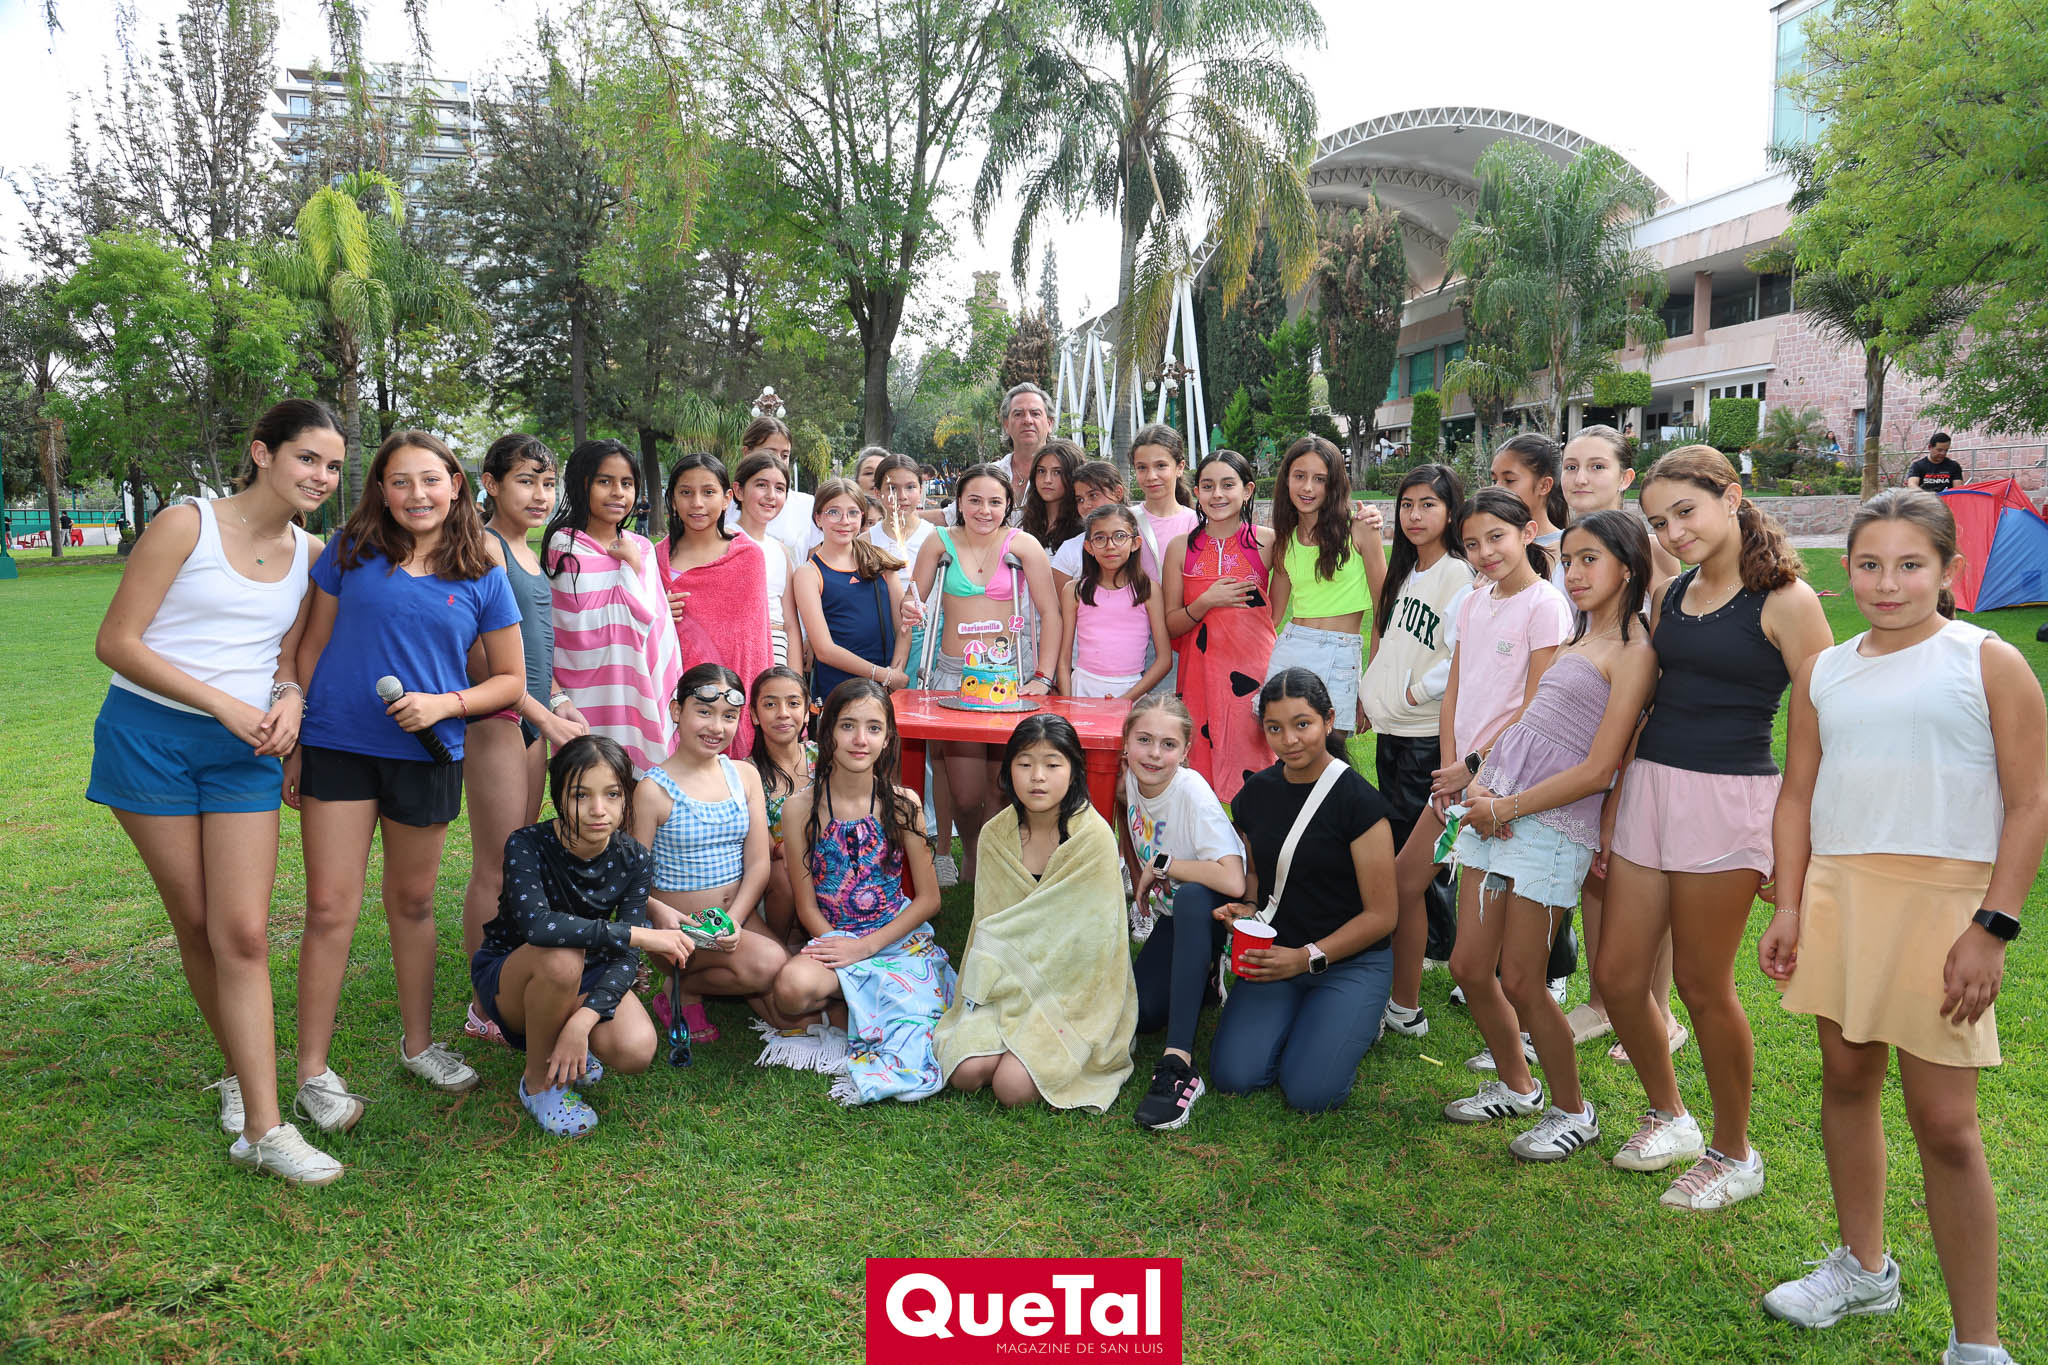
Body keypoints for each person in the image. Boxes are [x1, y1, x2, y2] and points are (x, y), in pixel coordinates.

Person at [1758, 491, 2045, 1362]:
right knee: (1846, 1077)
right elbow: (1799, 793)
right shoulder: (1825, 670)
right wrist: (1791, 902)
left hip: (1945, 908)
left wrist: (1991, 926)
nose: (1888, 583)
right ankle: (1864, 1266)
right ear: (1846, 569)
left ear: (1951, 569)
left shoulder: (1988, 661)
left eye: (1911, 564)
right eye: (1870, 564)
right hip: (1843, 893)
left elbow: (2030, 801)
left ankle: (1977, 1341)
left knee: (1946, 1124)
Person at [89, 398, 346, 1183]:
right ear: (262, 452)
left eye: (334, 466)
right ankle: (242, 1074)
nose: (322, 476)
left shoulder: (312, 554)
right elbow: (116, 641)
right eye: (308, 458)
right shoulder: (185, 524)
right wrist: (222, 703)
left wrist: (289, 697)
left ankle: (264, 1129)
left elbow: (290, 656)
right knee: (199, 923)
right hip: (151, 740)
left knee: (242, 932)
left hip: (246, 752)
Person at [1597, 446, 1833, 1210]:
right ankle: (1670, 1114)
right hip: (1651, 791)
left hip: (1729, 802)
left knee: (1702, 984)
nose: (1672, 532)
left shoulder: (1788, 600)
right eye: (1659, 521)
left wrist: (1797, 844)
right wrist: (1616, 797)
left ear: (1731, 497)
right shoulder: (1674, 591)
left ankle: (1735, 1151)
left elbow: (1824, 724)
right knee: (1619, 976)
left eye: (1685, 512)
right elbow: (1651, 698)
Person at [289, 430, 527, 1131]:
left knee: (414, 902)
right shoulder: (350, 549)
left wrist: (445, 704)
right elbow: (309, 647)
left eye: (430, 479)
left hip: (427, 753)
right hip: (337, 746)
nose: (416, 494)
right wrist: (297, 743)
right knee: (329, 908)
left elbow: (510, 680)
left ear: (456, 485)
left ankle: (419, 1045)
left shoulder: (482, 568)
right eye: (400, 481)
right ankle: (312, 1071)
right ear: (381, 490)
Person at [1440, 511, 1659, 1158]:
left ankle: (1573, 1111)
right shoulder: (1575, 639)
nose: (1575, 573)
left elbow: (1598, 768)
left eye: (1590, 559)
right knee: (1468, 965)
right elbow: (1529, 729)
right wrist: (1484, 783)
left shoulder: (1635, 653)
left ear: (1628, 566)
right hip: (1498, 808)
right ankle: (1518, 1086)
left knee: (1522, 978)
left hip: (1551, 824)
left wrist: (1507, 807)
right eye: (1568, 561)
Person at [1383, 488, 1574, 1050]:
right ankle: (1404, 1005)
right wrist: (1451, 763)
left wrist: (1474, 765)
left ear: (1527, 533)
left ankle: (1524, 1038)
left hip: (1510, 785)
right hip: (1458, 781)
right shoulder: (1471, 602)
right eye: (1472, 544)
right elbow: (1455, 691)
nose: (1485, 552)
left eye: (1496, 537)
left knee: (1508, 932)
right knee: (1404, 882)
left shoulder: (1546, 605)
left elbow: (1536, 706)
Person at [469, 736, 693, 1137]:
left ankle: (566, 1032)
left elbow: (623, 958)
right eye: (580, 795)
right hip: (514, 976)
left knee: (636, 1049)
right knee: (562, 957)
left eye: (612, 794)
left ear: (626, 798)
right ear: (558, 796)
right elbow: (539, 927)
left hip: (587, 970)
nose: (598, 810)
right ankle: (539, 1085)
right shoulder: (527, 844)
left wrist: (583, 1023)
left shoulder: (634, 858)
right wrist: (638, 935)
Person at [1208, 669, 1399, 1113]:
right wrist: (1247, 907)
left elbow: (1382, 915)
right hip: (1278, 955)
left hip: (1351, 961)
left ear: (1329, 721)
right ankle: (1315, 1024)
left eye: (1302, 724)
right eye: (1274, 728)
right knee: (1234, 1076)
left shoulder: (1359, 802)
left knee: (1311, 1093)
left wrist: (1305, 957)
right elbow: (1257, 873)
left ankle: (1359, 1015)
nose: (1289, 740)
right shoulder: (1255, 794)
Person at [461, 434, 592, 1048]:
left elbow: (535, 649)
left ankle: (505, 981)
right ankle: (481, 1004)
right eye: (525, 481)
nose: (540, 495)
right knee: (493, 865)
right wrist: (541, 713)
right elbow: (480, 659)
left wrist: (557, 702)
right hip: (497, 721)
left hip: (531, 721)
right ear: (490, 484)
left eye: (547, 482)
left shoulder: (528, 551)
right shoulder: (484, 547)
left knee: (518, 859)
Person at [935, 715, 1137, 1109]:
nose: (1037, 777)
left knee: (1011, 1087)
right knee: (966, 1072)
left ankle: (1032, 1050)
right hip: (1007, 984)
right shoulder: (996, 835)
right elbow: (990, 927)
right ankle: (1008, 1041)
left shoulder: (1092, 837)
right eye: (1025, 764)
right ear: (1008, 771)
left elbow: (1097, 944)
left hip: (1072, 992)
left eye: (1052, 764)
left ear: (1074, 770)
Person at [769, 680, 955, 1103]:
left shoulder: (904, 804)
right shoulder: (799, 809)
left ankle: (851, 1006)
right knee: (790, 990)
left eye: (873, 728)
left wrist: (867, 948)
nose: (860, 739)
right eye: (848, 726)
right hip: (835, 938)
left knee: (919, 1025)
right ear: (828, 732)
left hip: (896, 939)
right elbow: (806, 906)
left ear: (888, 738)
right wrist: (844, 948)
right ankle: (858, 999)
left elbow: (929, 900)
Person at [1556, 426, 1681, 1054]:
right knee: (1596, 870)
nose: (1580, 478)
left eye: (1596, 466)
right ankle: (1604, 1002)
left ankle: (1658, 1011)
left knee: (1641, 870)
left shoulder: (1652, 550)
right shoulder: (1562, 545)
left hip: (1637, 731)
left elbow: (1664, 650)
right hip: (1576, 728)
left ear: (1625, 477)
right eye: (1570, 465)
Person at [1360, 464, 1474, 1034]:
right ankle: (1426, 945)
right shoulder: (1411, 570)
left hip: (1427, 733)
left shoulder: (1456, 572)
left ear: (1451, 511)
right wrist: (1373, 691)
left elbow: (1459, 657)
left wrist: (1413, 691)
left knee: (1415, 859)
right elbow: (1392, 641)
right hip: (1395, 732)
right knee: (1406, 846)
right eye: (1407, 504)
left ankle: (1429, 951)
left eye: (1428, 504)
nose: (1414, 515)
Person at [910, 463, 1062, 878]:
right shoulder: (938, 542)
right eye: (974, 500)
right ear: (959, 502)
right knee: (965, 792)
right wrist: (908, 604)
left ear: (1008, 505)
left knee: (1001, 783)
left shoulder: (1023, 545)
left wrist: (1043, 677)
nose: (984, 510)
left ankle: (987, 861)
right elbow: (914, 600)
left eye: (995, 502)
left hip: (1008, 676)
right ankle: (973, 845)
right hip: (954, 676)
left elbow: (1050, 613)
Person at [631, 663, 785, 1043]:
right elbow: (631, 880)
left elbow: (758, 863)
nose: (716, 727)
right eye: (704, 712)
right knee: (770, 965)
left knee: (790, 996)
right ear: (676, 711)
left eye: (729, 716)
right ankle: (679, 986)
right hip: (680, 932)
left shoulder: (744, 776)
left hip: (737, 917)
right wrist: (661, 917)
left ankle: (708, 980)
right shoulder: (653, 790)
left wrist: (734, 920)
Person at [1121, 695, 1247, 1130]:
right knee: (1143, 1014)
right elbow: (1126, 816)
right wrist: (1139, 868)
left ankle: (1179, 1064)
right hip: (1173, 917)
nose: (1154, 754)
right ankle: (1207, 979)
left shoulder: (1191, 793)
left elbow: (1234, 880)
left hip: (1210, 912)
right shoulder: (1131, 778)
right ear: (1125, 742)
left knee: (1193, 895)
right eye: (1144, 740)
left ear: (1186, 750)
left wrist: (1161, 865)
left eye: (1168, 744)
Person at [544, 439, 684, 776]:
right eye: (604, 481)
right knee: (594, 781)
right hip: (589, 690)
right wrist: (630, 571)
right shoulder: (565, 547)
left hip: (641, 684)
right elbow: (579, 623)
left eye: (627, 483)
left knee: (643, 790)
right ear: (581, 484)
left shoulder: (641, 548)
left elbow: (655, 624)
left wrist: (634, 565)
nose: (618, 493)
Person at [1162, 449, 1277, 804]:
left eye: (1228, 485)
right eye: (1208, 486)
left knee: (1258, 779)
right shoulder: (1180, 548)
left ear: (1248, 490)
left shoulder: (1269, 542)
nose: (1218, 495)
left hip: (1253, 676)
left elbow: (1274, 616)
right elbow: (1170, 625)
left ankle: (1252, 841)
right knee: (1198, 780)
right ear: (1196, 492)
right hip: (1199, 676)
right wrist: (1206, 602)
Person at [1267, 434, 1383, 746]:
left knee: (1331, 754)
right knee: (1286, 753)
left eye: (1319, 479)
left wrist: (1372, 683)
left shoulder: (1360, 528)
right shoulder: (1285, 539)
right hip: (1291, 648)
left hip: (1340, 653)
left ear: (1334, 484)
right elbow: (1272, 615)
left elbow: (1384, 608)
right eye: (1299, 476)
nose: (1307, 488)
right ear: (1286, 479)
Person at [656, 452, 773, 755]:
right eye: (686, 492)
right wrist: (657, 610)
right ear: (672, 500)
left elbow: (752, 644)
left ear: (726, 499)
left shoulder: (747, 557)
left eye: (708, 492)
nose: (697, 503)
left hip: (730, 696)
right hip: (671, 696)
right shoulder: (654, 559)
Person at [795, 478, 910, 703]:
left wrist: (895, 673)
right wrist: (883, 675)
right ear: (818, 518)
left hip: (883, 692)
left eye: (853, 513)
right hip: (837, 692)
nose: (844, 521)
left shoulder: (880, 562)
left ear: (862, 517)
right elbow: (824, 649)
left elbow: (903, 628)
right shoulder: (808, 573)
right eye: (833, 512)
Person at [1057, 503, 1170, 700]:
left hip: (1132, 691)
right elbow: (1064, 660)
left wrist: (1124, 700)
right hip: (1082, 689)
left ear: (1135, 543)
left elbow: (1164, 660)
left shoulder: (1149, 590)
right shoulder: (1074, 591)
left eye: (1119, 536)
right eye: (1100, 538)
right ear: (1089, 547)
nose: (1110, 545)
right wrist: (1068, 705)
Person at [748, 664, 816, 946]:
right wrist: (789, 850)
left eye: (793, 703)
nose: (783, 713)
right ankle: (777, 947)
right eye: (770, 704)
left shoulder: (825, 759)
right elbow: (759, 843)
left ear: (807, 711)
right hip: (776, 878)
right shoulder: (748, 772)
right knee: (786, 868)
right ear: (754, 714)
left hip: (828, 864)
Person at [927, 383, 1049, 526]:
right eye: (1018, 414)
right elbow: (949, 518)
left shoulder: (1066, 474)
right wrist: (905, 519)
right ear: (1006, 425)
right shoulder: (989, 474)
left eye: (1035, 413)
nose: (1027, 420)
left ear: (1050, 423)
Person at [731, 449, 803, 670]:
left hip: (777, 651)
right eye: (761, 485)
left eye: (779, 488)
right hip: (737, 651)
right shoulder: (724, 540)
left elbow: (790, 624)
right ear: (739, 491)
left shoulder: (781, 550)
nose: (771, 495)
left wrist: (795, 680)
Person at [722, 416, 818, 563]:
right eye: (770, 453)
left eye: (784, 455)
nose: (778, 461)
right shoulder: (725, 507)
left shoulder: (807, 504)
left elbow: (815, 564)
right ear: (746, 453)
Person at [1128, 424, 1199, 583]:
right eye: (1142, 467)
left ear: (1179, 467)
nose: (1151, 476)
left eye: (1161, 466)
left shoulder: (1197, 523)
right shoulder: (1125, 520)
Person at [1491, 433, 1569, 577]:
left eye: (1509, 480)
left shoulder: (1569, 548)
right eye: (1494, 480)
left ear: (1544, 485)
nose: (1497, 489)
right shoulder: (1488, 545)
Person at [1047, 457, 1127, 589]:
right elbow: (1058, 600)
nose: (1086, 505)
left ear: (1118, 493)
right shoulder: (1070, 550)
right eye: (1080, 499)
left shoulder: (1141, 538)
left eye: (1093, 495)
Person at [1019, 437, 1084, 565]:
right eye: (1041, 471)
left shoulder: (1084, 528)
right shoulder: (1022, 520)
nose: (1047, 480)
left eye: (1057, 472)